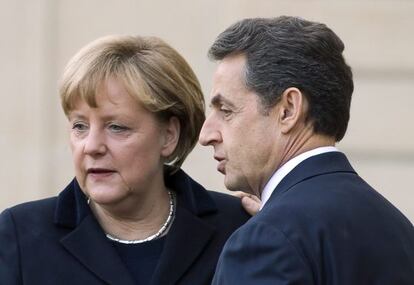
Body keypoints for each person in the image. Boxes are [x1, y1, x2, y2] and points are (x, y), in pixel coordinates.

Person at [0, 35, 249, 285]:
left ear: (169, 136)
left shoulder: (238, 228)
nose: (92, 146)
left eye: (116, 127)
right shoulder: (19, 236)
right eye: (79, 126)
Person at [199, 16, 414, 284]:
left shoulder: (266, 240)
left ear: (288, 109)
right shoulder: (398, 229)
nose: (205, 135)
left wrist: (278, 227)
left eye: (226, 110)